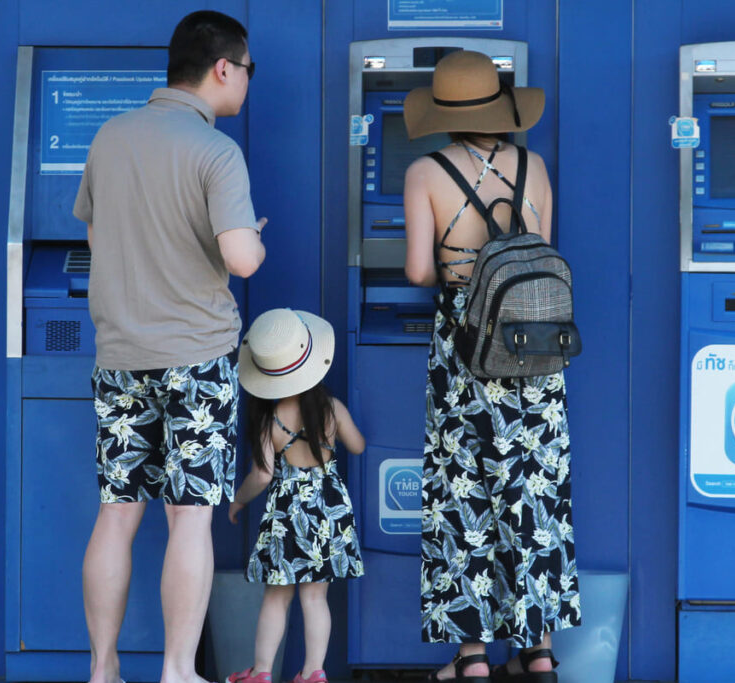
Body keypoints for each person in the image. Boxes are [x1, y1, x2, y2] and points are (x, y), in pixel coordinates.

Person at [73, 10, 266, 683]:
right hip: (196, 358)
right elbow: (241, 259)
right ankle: (178, 670)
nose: (246, 81)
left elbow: (98, 241)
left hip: (121, 356)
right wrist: (253, 235)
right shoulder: (216, 151)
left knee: (117, 514)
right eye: (247, 69)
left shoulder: (111, 136)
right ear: (222, 68)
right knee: (189, 520)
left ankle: (102, 669)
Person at [402, 50, 580, 683]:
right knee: (535, 492)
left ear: (444, 113)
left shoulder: (427, 170)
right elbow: (541, 252)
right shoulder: (536, 167)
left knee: (463, 494)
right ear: (501, 110)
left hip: (465, 347)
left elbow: (421, 271)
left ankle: (472, 657)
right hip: (535, 348)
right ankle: (538, 651)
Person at [225, 308, 365, 683]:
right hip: (328, 507)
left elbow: (262, 474)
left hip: (288, 511)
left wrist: (238, 501)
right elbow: (358, 446)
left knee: (276, 597)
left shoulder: (269, 422)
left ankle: (262, 672)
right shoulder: (331, 409)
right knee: (315, 598)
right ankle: (313, 673)